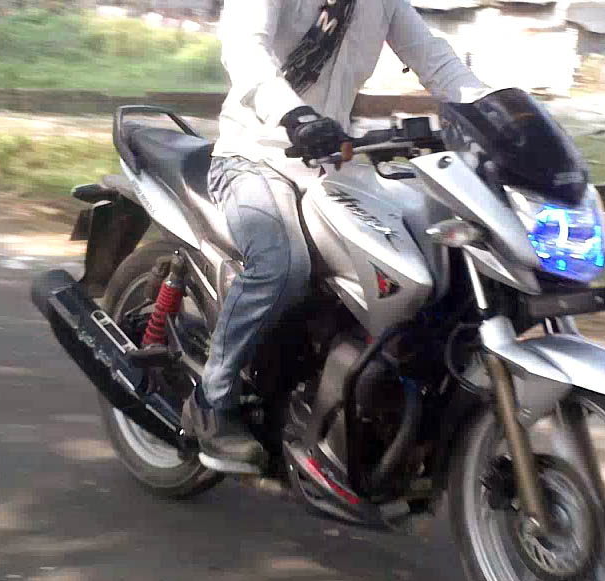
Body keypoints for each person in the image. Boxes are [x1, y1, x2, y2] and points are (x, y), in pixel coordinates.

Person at [183, 0, 489, 472]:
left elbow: (435, 60)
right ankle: (211, 399)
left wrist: (498, 114)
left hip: (329, 166)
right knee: (282, 265)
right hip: (253, 158)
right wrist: (295, 115)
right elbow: (246, 49)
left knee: (416, 263)